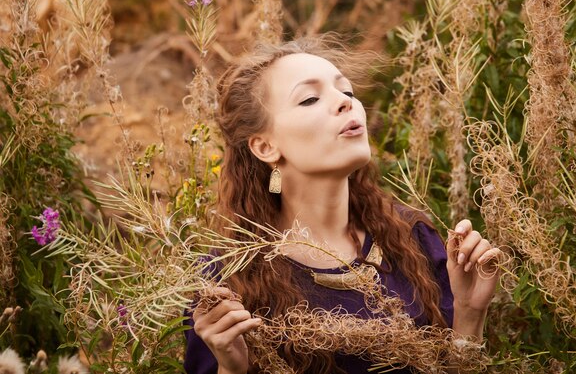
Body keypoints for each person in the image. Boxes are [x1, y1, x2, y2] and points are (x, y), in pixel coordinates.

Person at [184, 35, 501, 374]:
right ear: (265, 147)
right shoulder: (226, 283)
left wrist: (469, 311)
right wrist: (232, 369)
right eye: (309, 99)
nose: (344, 102)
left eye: (346, 92)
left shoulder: (413, 241)